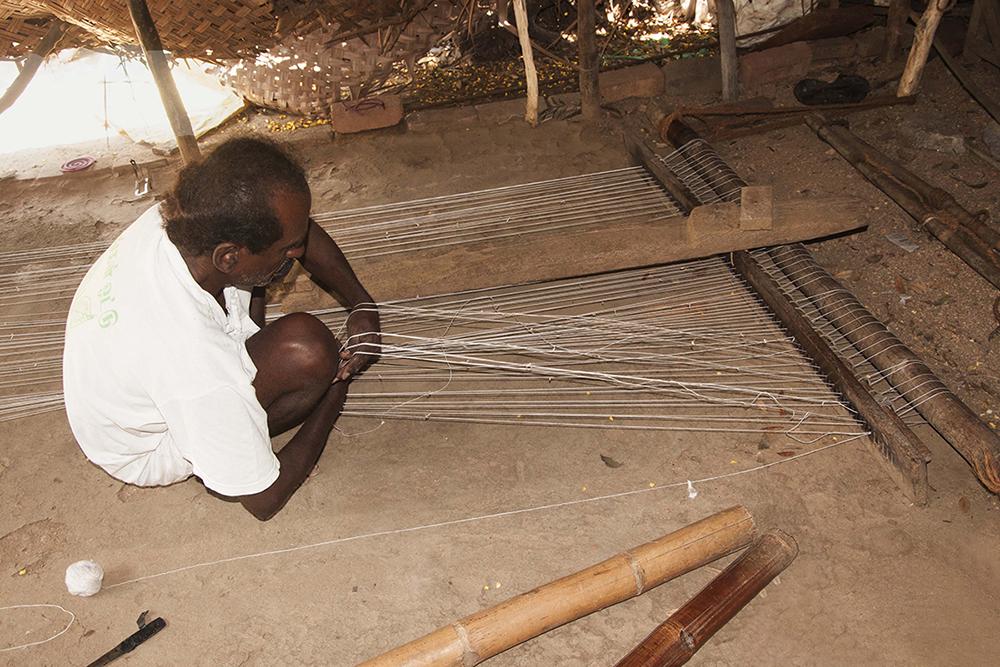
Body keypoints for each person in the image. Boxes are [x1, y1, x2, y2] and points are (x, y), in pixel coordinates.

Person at [62, 137, 380, 521]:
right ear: (228, 257)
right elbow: (263, 500)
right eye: (288, 249)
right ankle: (219, 458)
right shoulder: (193, 362)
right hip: (151, 445)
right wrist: (335, 392)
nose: (297, 254)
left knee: (272, 251)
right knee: (308, 351)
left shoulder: (188, 218)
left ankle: (225, 436)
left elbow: (297, 232)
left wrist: (362, 304)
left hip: (143, 383)